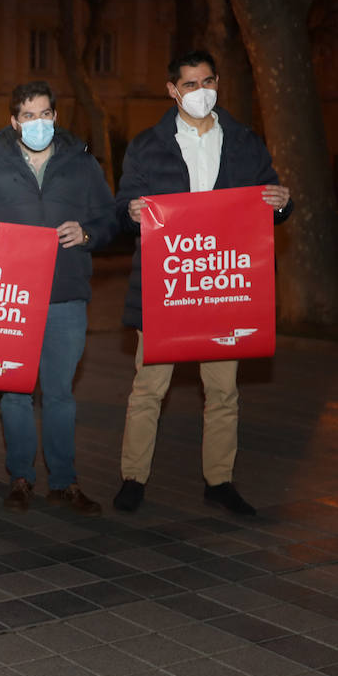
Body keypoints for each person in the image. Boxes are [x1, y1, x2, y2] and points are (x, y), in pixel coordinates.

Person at [112, 50, 292, 517]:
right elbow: (125, 205)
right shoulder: (148, 145)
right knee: (149, 389)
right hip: (165, 288)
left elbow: (269, 196)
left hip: (223, 289)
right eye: (189, 85)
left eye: (207, 81)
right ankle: (133, 477)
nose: (200, 92)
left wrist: (282, 202)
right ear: (173, 90)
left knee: (224, 391)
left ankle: (220, 480)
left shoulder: (245, 142)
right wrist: (131, 212)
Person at [0, 81, 116, 517]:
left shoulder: (82, 167)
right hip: (11, 302)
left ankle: (64, 482)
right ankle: (21, 478)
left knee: (60, 394)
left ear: (55, 116)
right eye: (28, 116)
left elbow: (109, 220)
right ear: (14, 122)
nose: (37, 123)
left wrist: (87, 234)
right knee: (14, 394)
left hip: (66, 297)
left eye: (45, 114)